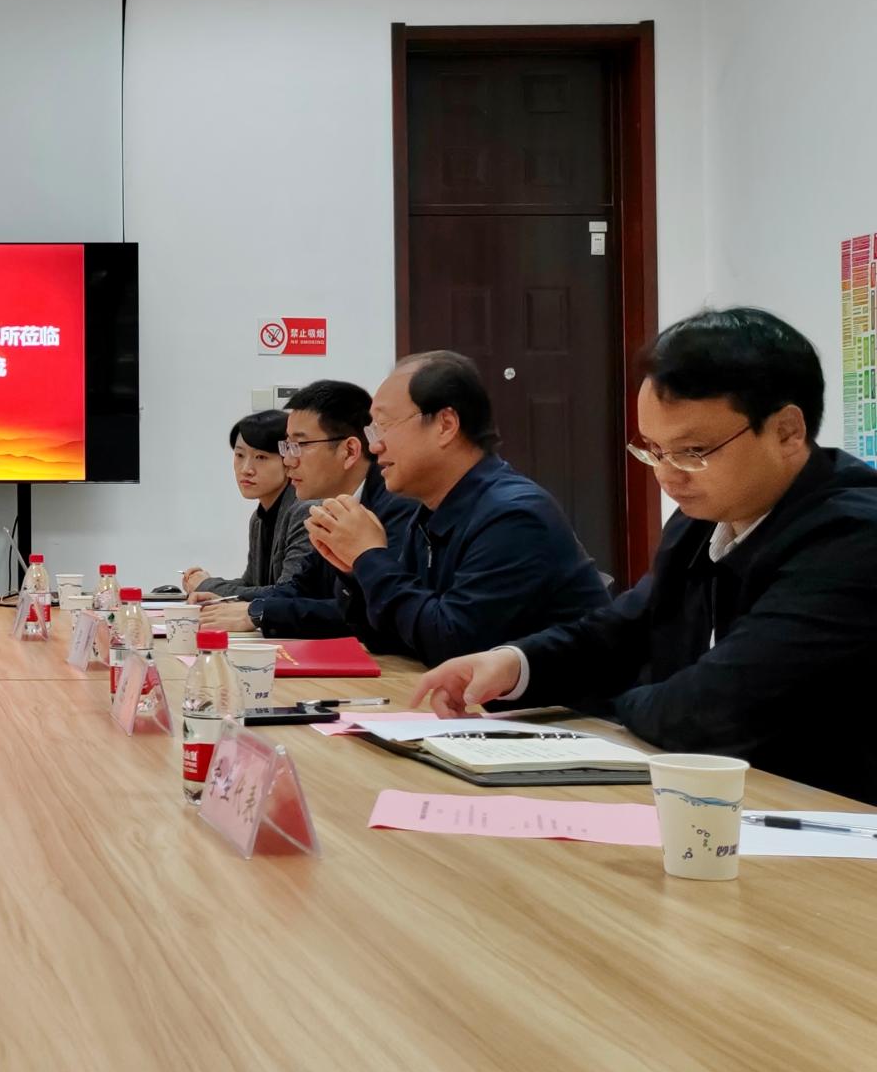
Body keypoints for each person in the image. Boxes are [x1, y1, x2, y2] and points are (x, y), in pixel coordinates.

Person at [414, 309, 877, 803]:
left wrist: (610, 708)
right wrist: (514, 663)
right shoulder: (703, 519)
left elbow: (715, 709)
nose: (667, 475)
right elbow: (622, 631)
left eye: (693, 451)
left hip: (828, 817)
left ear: (786, 431)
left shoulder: (854, 537)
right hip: (722, 799)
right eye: (654, 449)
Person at [298, 351, 610, 663]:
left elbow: (455, 644)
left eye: (384, 425)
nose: (375, 445)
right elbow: (390, 636)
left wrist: (370, 557)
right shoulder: (429, 512)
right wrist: (355, 570)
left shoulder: (513, 516)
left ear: (445, 425)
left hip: (567, 696)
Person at [203, 379, 419, 639]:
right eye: (286, 446)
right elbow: (300, 587)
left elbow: (375, 612)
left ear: (349, 451)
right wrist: (242, 606)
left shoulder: (398, 506)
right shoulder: (334, 506)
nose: (288, 460)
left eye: (299, 446)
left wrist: (261, 612)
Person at [183, 410, 313, 602]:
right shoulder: (259, 519)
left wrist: (208, 585)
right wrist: (205, 584)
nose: (246, 469)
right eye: (239, 455)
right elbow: (252, 585)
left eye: (261, 457)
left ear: (288, 461)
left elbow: (288, 594)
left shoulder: (305, 511)